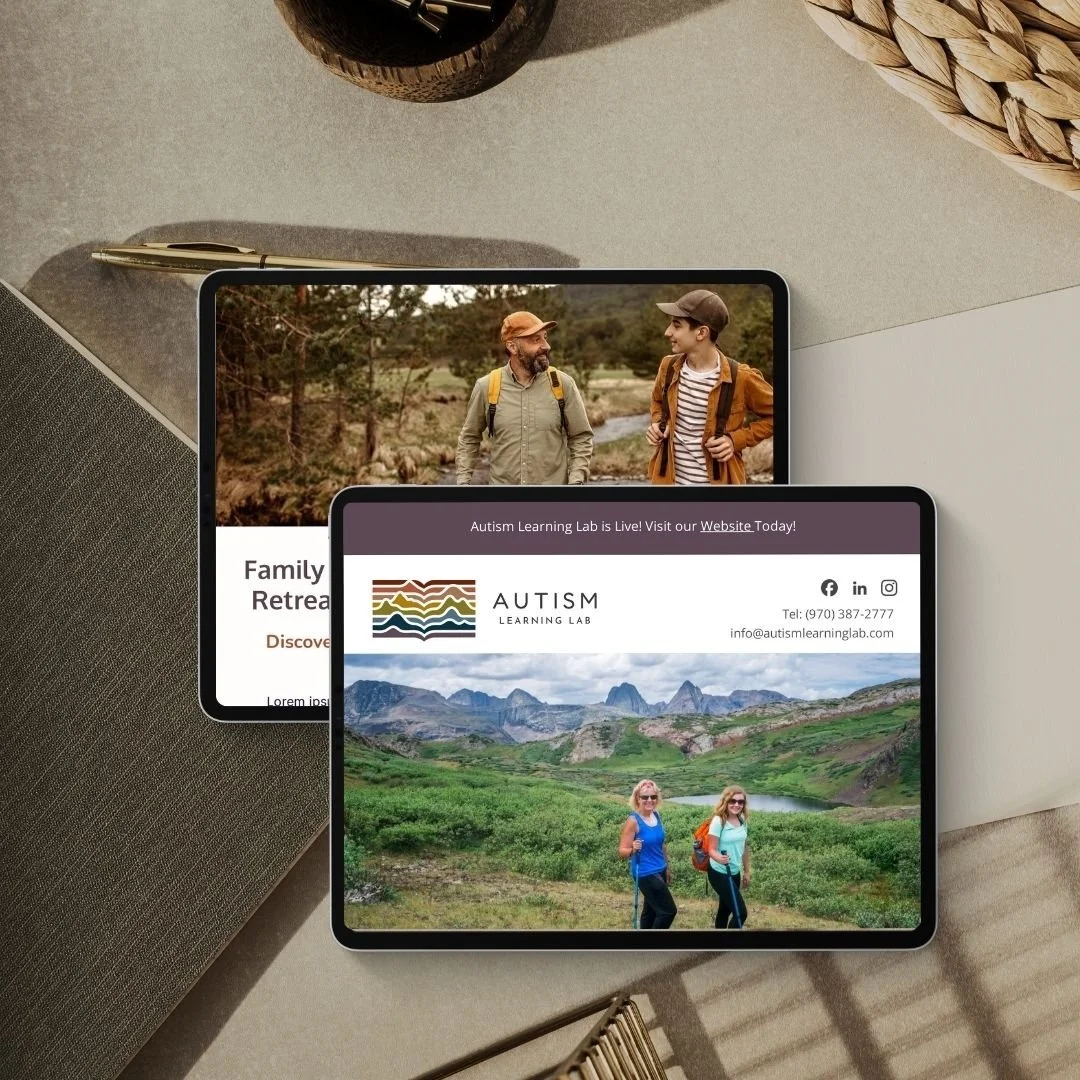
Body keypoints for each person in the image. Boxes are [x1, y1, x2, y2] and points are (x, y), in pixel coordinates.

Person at [645, 290, 774, 485]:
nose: (667, 332)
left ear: (701, 333)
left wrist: (736, 440)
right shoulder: (668, 367)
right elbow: (657, 401)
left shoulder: (741, 377)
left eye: (676, 325)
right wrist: (658, 423)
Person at [456, 311, 593, 485]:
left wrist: (576, 482)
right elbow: (469, 438)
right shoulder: (487, 386)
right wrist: (462, 484)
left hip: (553, 503)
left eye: (545, 337)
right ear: (512, 347)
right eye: (536, 340)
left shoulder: (563, 384)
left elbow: (581, 437)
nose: (546, 346)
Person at [618, 779, 677, 929]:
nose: (649, 800)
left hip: (660, 869)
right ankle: (654, 946)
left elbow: (661, 844)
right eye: (645, 797)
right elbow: (622, 851)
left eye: (653, 796)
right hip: (645, 872)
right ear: (637, 798)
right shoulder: (633, 821)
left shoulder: (656, 815)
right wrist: (633, 850)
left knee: (650, 912)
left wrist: (667, 867)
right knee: (668, 912)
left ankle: (642, 946)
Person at [706, 786, 751, 929]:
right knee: (741, 913)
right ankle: (729, 943)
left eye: (740, 802)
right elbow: (711, 849)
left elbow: (744, 847)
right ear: (725, 801)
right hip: (719, 872)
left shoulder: (742, 820)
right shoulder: (718, 821)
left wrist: (747, 871)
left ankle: (718, 943)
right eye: (732, 801)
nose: (736, 805)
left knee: (725, 910)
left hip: (734, 871)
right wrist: (719, 858)